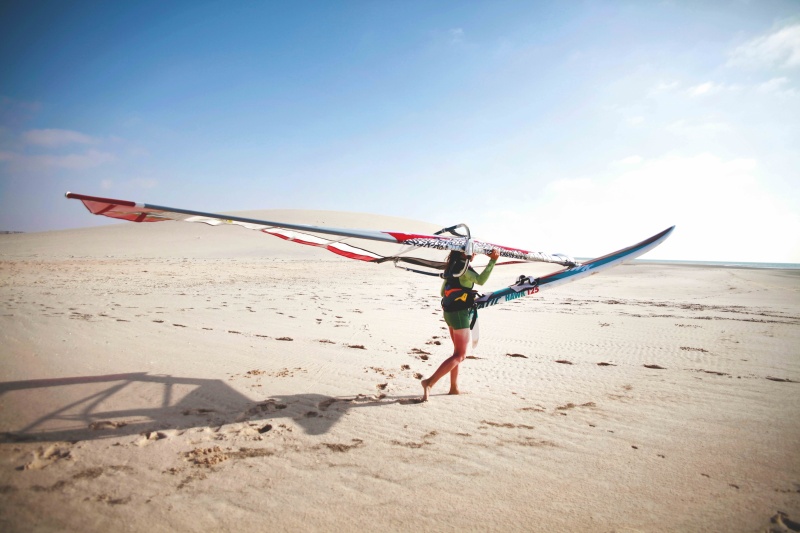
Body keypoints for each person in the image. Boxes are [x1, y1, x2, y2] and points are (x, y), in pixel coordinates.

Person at [420, 247, 500, 401]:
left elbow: (443, 292)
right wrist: (493, 261)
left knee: (456, 352)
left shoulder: (451, 267)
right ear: (463, 252)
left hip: (449, 312)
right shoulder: (463, 268)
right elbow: (481, 280)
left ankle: (454, 388)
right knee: (460, 355)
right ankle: (429, 383)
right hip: (459, 313)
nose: (474, 253)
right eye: (472, 250)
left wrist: (460, 292)